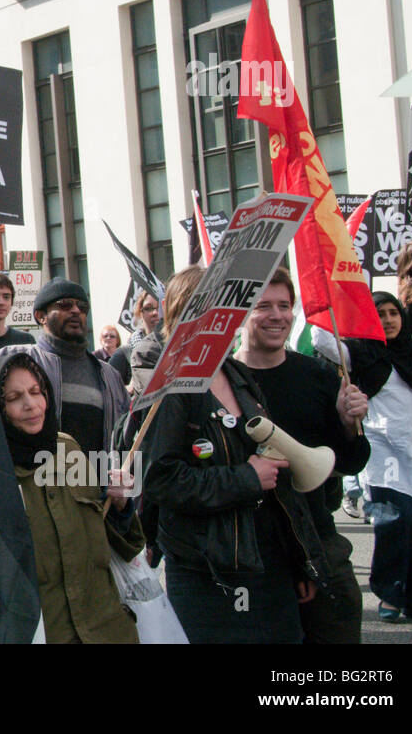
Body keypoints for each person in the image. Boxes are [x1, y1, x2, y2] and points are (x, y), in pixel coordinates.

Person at [143, 266, 333, 644]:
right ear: (186, 314)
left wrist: (298, 560)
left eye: (232, 307)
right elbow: (159, 481)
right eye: (217, 308)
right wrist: (247, 478)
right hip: (208, 574)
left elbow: (276, 483)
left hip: (267, 564)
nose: (228, 318)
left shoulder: (239, 376)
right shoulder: (169, 385)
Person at [0, 352, 142, 643]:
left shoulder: (68, 449)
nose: (31, 405)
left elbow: (123, 540)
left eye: (35, 392)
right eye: (15, 397)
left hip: (106, 632)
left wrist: (121, 505)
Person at [234, 267, 370, 644]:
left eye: (284, 305)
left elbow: (352, 462)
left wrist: (347, 425)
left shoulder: (318, 376)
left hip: (318, 538)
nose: (277, 315)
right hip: (256, 549)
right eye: (263, 306)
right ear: (242, 314)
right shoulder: (223, 381)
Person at [316, 292, 412, 621]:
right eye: (380, 314)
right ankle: (389, 594)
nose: (388, 320)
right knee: (396, 521)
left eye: (393, 313)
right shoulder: (360, 352)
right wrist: (321, 297)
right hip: (383, 451)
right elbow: (324, 341)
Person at [0, 278, 129, 474]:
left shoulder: (110, 376)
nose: (76, 310)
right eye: (65, 305)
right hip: (37, 493)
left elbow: (125, 441)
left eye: (82, 306)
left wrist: (123, 488)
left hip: (95, 499)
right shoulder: (11, 360)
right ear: (41, 316)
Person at [110, 289, 161, 387]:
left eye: (160, 308)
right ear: (140, 312)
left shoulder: (175, 348)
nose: (155, 312)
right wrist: (128, 389)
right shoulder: (126, 353)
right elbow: (108, 389)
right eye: (148, 308)